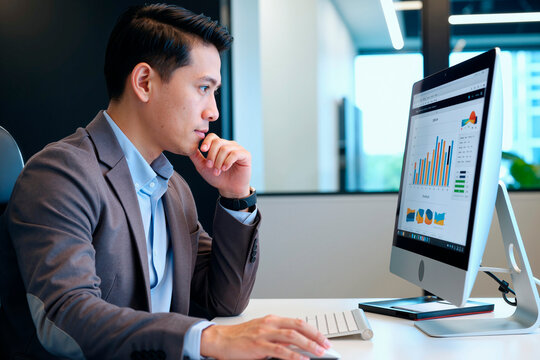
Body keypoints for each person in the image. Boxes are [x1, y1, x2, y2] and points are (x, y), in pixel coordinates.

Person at [0, 4, 330, 360]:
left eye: (215, 91)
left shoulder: (173, 189)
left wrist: (235, 197)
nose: (213, 111)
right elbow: (65, 315)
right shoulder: (59, 174)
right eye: (204, 87)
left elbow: (224, 299)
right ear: (144, 82)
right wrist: (208, 339)